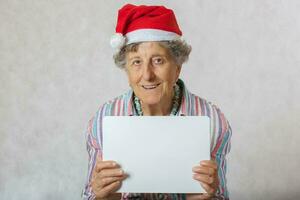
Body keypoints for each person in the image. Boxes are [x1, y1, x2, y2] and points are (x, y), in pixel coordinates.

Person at [82, 4, 232, 200]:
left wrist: (207, 198)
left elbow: (220, 197)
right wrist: (102, 197)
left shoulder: (213, 120)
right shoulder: (103, 120)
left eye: (158, 60)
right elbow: (88, 196)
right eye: (136, 62)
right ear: (126, 70)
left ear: (177, 67)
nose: (147, 75)